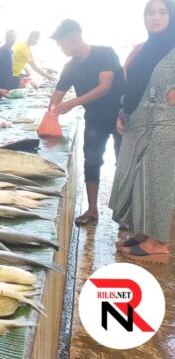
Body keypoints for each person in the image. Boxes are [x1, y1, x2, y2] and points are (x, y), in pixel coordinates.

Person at [110, 0, 175, 264]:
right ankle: (142, 232)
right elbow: (130, 81)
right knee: (136, 181)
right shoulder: (143, 47)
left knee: (157, 182)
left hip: (162, 123)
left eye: (162, 12)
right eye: (150, 13)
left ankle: (158, 242)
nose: (156, 17)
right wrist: (122, 112)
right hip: (135, 121)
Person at [48, 19, 124, 227]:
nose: (60, 47)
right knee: (91, 163)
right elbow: (58, 93)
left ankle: (125, 213)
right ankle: (92, 209)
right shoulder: (70, 66)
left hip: (120, 117)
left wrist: (73, 103)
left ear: (73, 38)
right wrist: (50, 114)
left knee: (124, 164)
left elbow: (104, 87)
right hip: (94, 120)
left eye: (61, 43)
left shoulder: (105, 54)